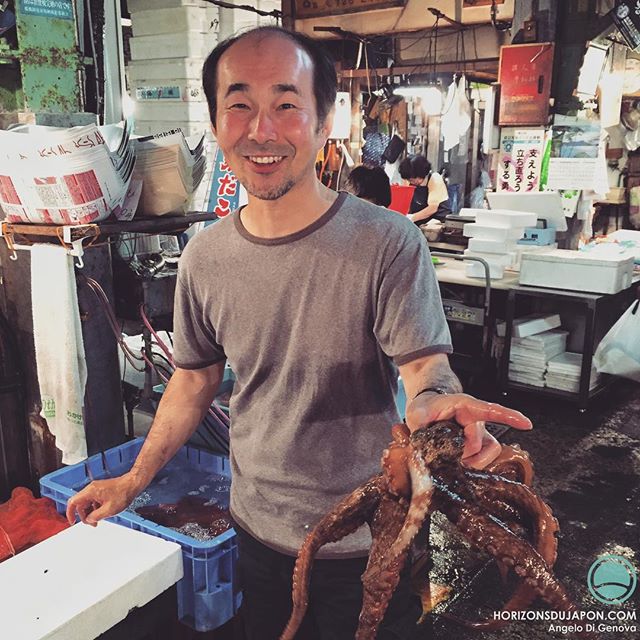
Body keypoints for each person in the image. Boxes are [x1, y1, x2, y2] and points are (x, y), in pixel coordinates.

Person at [66, 26, 532, 640]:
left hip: (374, 538)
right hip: (257, 532)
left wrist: (437, 407)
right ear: (216, 120)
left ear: (323, 119)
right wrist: (133, 479)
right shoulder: (204, 258)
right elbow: (194, 379)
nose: (261, 130)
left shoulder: (388, 242)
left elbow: (424, 368)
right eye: (240, 105)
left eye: (286, 105)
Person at [401, 154, 451, 225]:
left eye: (412, 179)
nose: (410, 182)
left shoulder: (435, 178)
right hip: (419, 220)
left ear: (421, 174)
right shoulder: (408, 180)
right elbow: (406, 202)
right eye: (409, 179)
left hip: (437, 220)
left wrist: (411, 218)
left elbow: (432, 208)